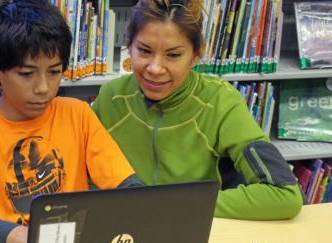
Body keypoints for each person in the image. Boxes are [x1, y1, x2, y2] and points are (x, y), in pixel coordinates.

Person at [0, 0, 140, 243]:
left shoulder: (78, 114)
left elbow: (128, 188)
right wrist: (18, 235)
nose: (43, 87)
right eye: (27, 74)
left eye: (54, 72)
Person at [92, 0, 303, 220]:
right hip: (123, 230)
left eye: (173, 55)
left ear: (196, 54)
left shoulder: (221, 102)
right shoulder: (110, 97)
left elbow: (284, 193)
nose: (155, 68)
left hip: (193, 229)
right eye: (144, 51)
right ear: (129, 46)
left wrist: (175, 205)